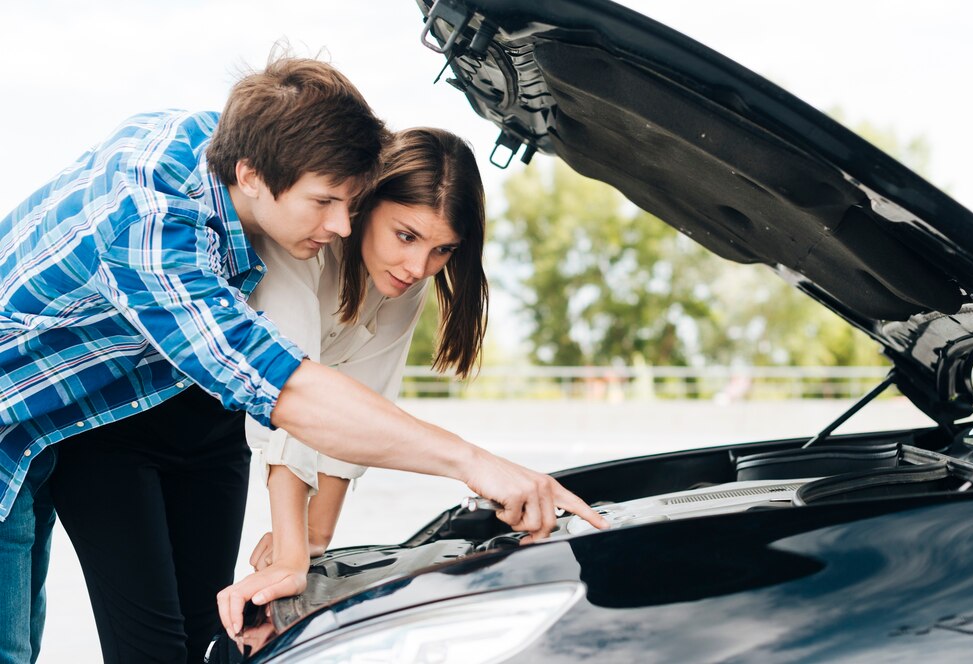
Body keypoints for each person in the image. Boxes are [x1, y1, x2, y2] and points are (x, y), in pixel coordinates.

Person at [0, 53, 606, 664]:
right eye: (324, 202)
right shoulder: (152, 232)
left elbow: (346, 396)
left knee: (164, 638)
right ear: (252, 174)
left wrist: (308, 550)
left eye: (350, 201)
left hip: (57, 418)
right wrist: (473, 462)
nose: (342, 224)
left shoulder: (223, 144)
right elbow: (284, 390)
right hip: (17, 423)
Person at [216, 127, 488, 644]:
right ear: (365, 200)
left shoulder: (407, 279)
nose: (419, 267)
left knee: (210, 623)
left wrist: (315, 539)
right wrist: (292, 555)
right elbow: (294, 395)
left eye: (442, 250)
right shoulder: (303, 245)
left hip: (229, 435)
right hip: (180, 414)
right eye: (405, 235)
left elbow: (366, 400)